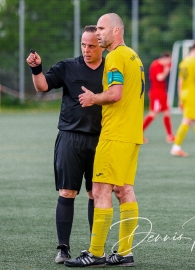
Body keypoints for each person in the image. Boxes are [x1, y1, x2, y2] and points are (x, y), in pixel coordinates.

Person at [64, 13, 144, 267]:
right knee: (125, 190)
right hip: (132, 134)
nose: (97, 33)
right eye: (96, 28)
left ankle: (95, 253)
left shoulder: (115, 57)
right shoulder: (133, 55)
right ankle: (124, 252)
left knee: (100, 189)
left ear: (116, 31)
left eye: (101, 28)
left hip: (116, 134)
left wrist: (93, 98)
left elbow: (116, 93)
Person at [26, 25, 104, 264]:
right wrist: (36, 68)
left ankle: (95, 249)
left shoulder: (112, 68)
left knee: (96, 194)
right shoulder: (67, 66)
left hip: (101, 140)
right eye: (83, 44)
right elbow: (42, 86)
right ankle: (63, 248)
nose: (87, 49)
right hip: (70, 137)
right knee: (67, 192)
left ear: (101, 45)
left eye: (91, 45)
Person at [143, 52, 175, 143]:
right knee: (153, 113)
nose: (169, 62)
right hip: (156, 93)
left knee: (167, 113)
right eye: (168, 60)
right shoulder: (156, 65)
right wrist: (166, 70)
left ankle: (170, 136)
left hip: (162, 93)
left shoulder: (163, 64)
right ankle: (139, 133)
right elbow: (160, 77)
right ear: (164, 58)